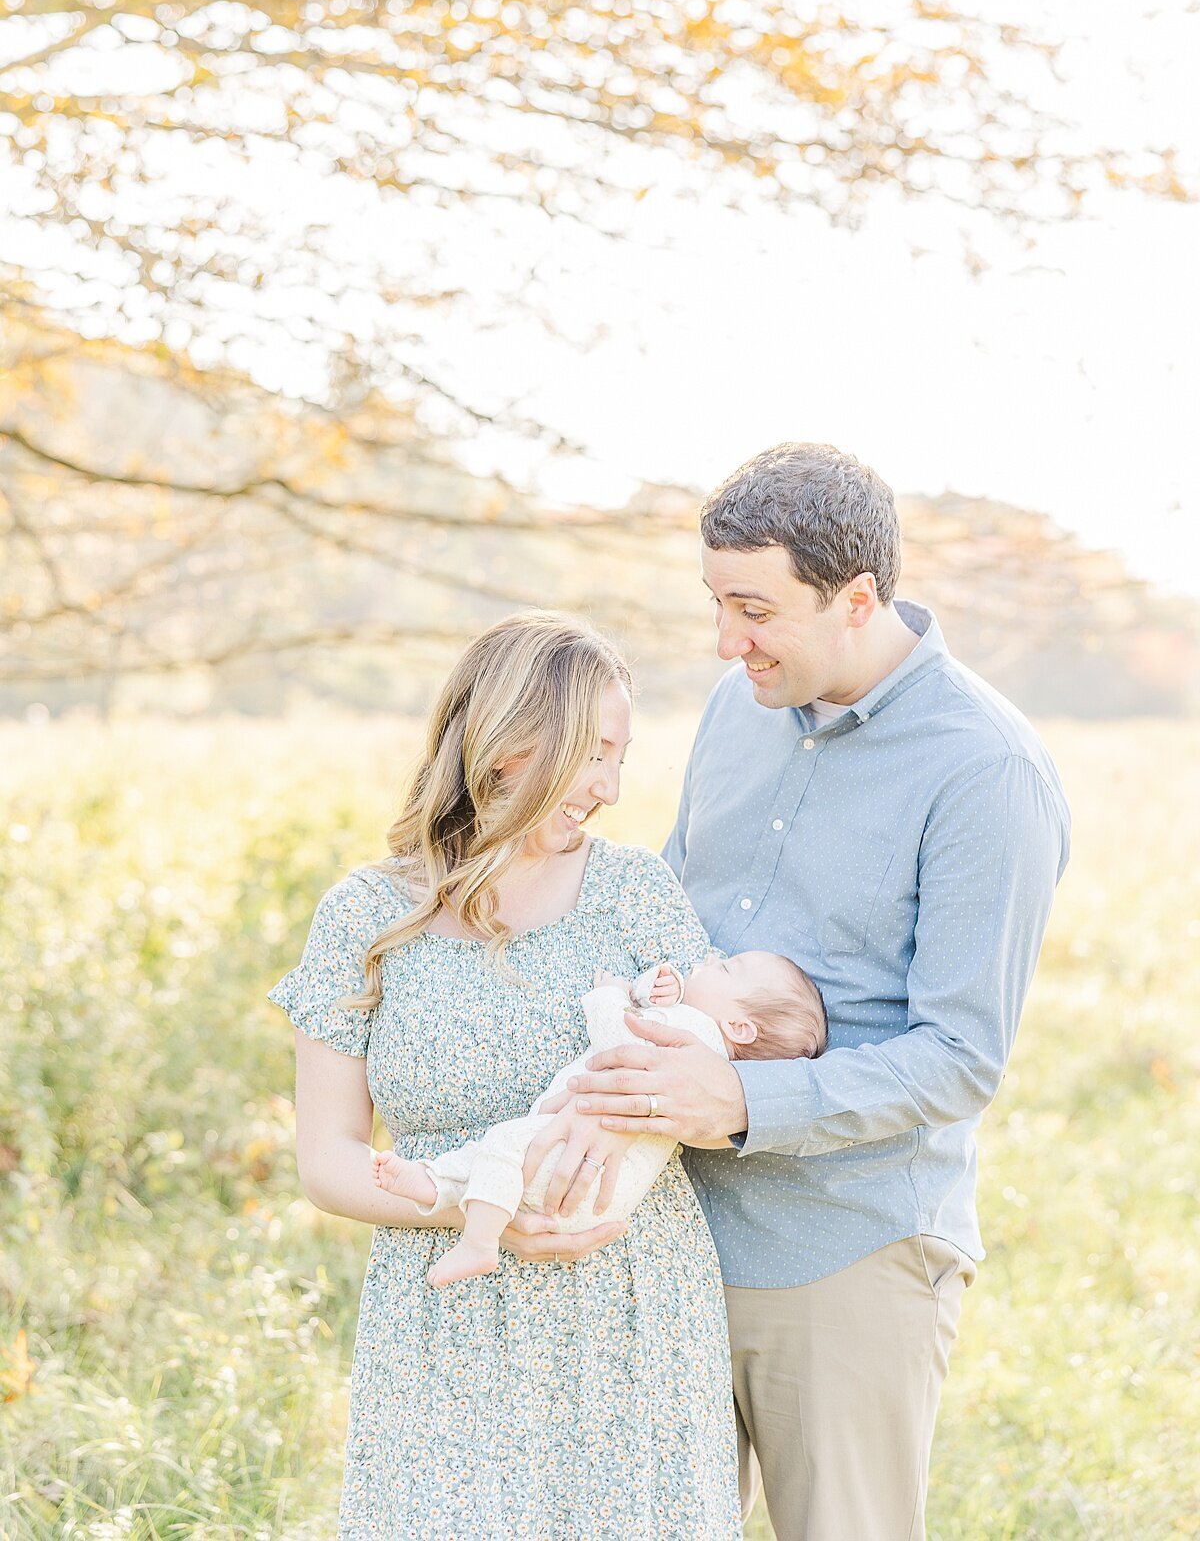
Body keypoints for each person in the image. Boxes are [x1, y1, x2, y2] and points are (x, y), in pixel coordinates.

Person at [558, 443, 1072, 1541]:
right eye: (715, 603)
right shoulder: (732, 711)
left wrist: (742, 1103)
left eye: (754, 608)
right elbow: (667, 906)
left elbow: (961, 1055)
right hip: (667, 1230)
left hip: (847, 1254)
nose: (724, 639)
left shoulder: (986, 773)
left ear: (857, 598)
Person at [267, 611, 742, 1539]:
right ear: (513, 740)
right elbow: (327, 1159)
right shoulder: (366, 915)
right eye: (592, 754)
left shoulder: (636, 891)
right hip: (445, 1311)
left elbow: (708, 1093)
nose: (609, 787)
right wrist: (481, 1212)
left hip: (631, 1306)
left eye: (621, 758)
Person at [372, 951, 826, 1285]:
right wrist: (651, 988)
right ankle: (434, 1185)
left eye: (726, 968)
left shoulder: (695, 1033)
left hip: (577, 1171)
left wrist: (608, 996)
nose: (711, 958)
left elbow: (619, 1039)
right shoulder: (706, 1054)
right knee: (495, 1158)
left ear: (739, 1027)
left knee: (503, 1146)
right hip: (596, 1197)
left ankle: (477, 1241)